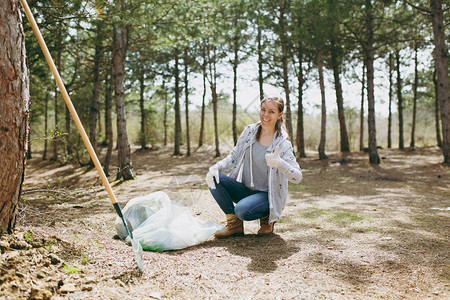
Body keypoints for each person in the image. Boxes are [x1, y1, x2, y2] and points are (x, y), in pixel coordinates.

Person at [206, 96, 302, 238]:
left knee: (242, 210)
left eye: (271, 111)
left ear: (280, 114)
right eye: (263, 110)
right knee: (214, 178)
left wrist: (280, 163)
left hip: (267, 196)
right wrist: (216, 167)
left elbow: (297, 177)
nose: (265, 115)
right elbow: (234, 156)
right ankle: (234, 225)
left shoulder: (283, 144)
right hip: (245, 190)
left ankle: (267, 216)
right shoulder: (250, 131)